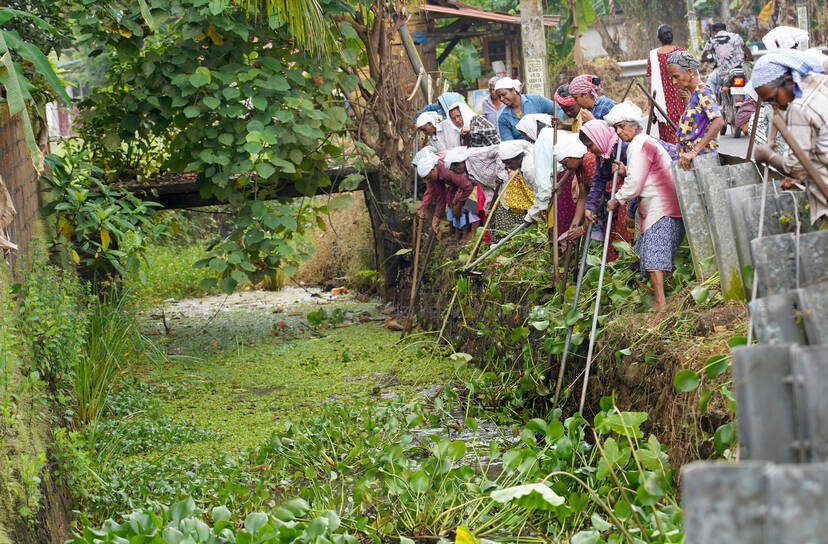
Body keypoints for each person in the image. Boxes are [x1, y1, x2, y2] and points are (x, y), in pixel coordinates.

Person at [604, 101, 684, 310]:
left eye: (622, 126)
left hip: (661, 204)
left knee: (654, 256)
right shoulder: (643, 142)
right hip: (662, 203)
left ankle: (661, 302)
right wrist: (625, 171)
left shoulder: (637, 145)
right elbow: (640, 173)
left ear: (633, 125)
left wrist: (616, 200)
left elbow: (635, 184)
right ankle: (658, 297)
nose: (619, 132)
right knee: (648, 253)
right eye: (616, 128)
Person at [751, 50, 828, 229]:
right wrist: (802, 178)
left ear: (788, 81)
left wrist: (767, 155)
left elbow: (795, 167)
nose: (775, 106)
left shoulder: (799, 107)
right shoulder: (821, 83)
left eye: (773, 98)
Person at [579, 119, 634, 263]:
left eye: (590, 146)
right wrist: (590, 207)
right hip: (620, 198)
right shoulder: (603, 155)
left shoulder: (623, 148)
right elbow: (599, 179)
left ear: (599, 138)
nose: (589, 151)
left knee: (627, 234)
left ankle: (628, 266)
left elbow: (638, 177)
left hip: (632, 198)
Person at [667, 50, 725, 169]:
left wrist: (694, 151)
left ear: (690, 72)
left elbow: (718, 121)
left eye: (676, 76)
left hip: (703, 161)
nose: (673, 82)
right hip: (692, 161)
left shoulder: (702, 90)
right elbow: (698, 122)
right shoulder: (693, 94)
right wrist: (687, 102)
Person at [416, 152, 474, 236]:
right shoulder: (434, 177)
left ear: (433, 170)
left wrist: (459, 204)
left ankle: (469, 234)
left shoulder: (447, 171)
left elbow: (468, 187)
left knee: (465, 206)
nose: (428, 181)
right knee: (451, 205)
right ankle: (456, 234)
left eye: (428, 178)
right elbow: (441, 196)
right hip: (458, 186)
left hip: (471, 181)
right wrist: (436, 217)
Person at [554, 133, 596, 245]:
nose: (565, 168)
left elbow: (597, 196)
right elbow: (583, 196)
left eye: (565, 163)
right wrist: (573, 226)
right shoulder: (578, 166)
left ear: (574, 156)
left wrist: (583, 228)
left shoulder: (589, 161)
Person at [647, 24, 685, 144]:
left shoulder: (653, 56)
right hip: (682, 98)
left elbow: (651, 83)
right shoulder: (681, 52)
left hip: (663, 104)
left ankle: (673, 159)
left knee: (668, 136)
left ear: (659, 38)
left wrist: (650, 106)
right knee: (686, 128)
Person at [489, 140, 536, 238]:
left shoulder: (529, 168)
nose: (508, 167)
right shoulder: (522, 166)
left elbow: (542, 194)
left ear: (519, 157)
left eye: (509, 163)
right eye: (505, 164)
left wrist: (531, 215)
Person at [494, 77, 564, 141]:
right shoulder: (503, 118)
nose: (501, 99)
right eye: (499, 97)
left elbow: (558, 109)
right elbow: (509, 143)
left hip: (546, 144)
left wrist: (552, 128)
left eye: (503, 94)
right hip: (524, 152)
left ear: (513, 90)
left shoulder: (536, 100)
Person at [444, 148, 485, 242]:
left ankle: (473, 233)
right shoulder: (465, 171)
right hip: (473, 187)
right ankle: (462, 232)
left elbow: (469, 187)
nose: (456, 172)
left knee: (472, 204)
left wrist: (459, 203)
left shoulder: (474, 164)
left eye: (456, 168)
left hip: (481, 187)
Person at [701, 22, 752, 96]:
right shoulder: (736, 36)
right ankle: (749, 104)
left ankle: (710, 103)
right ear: (725, 29)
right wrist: (749, 57)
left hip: (723, 72)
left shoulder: (712, 40)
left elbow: (704, 55)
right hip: (740, 69)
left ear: (714, 32)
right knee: (747, 86)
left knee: (711, 81)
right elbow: (746, 49)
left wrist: (704, 60)